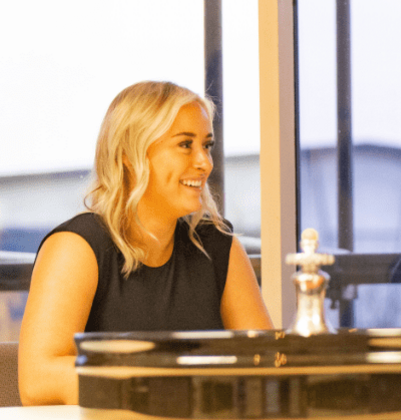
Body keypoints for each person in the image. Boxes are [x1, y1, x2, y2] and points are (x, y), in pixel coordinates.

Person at [19, 81, 274, 406]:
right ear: (129, 155)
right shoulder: (77, 247)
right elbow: (38, 380)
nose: (205, 162)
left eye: (206, 145)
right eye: (185, 145)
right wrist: (167, 387)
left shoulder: (219, 246)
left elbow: (268, 367)